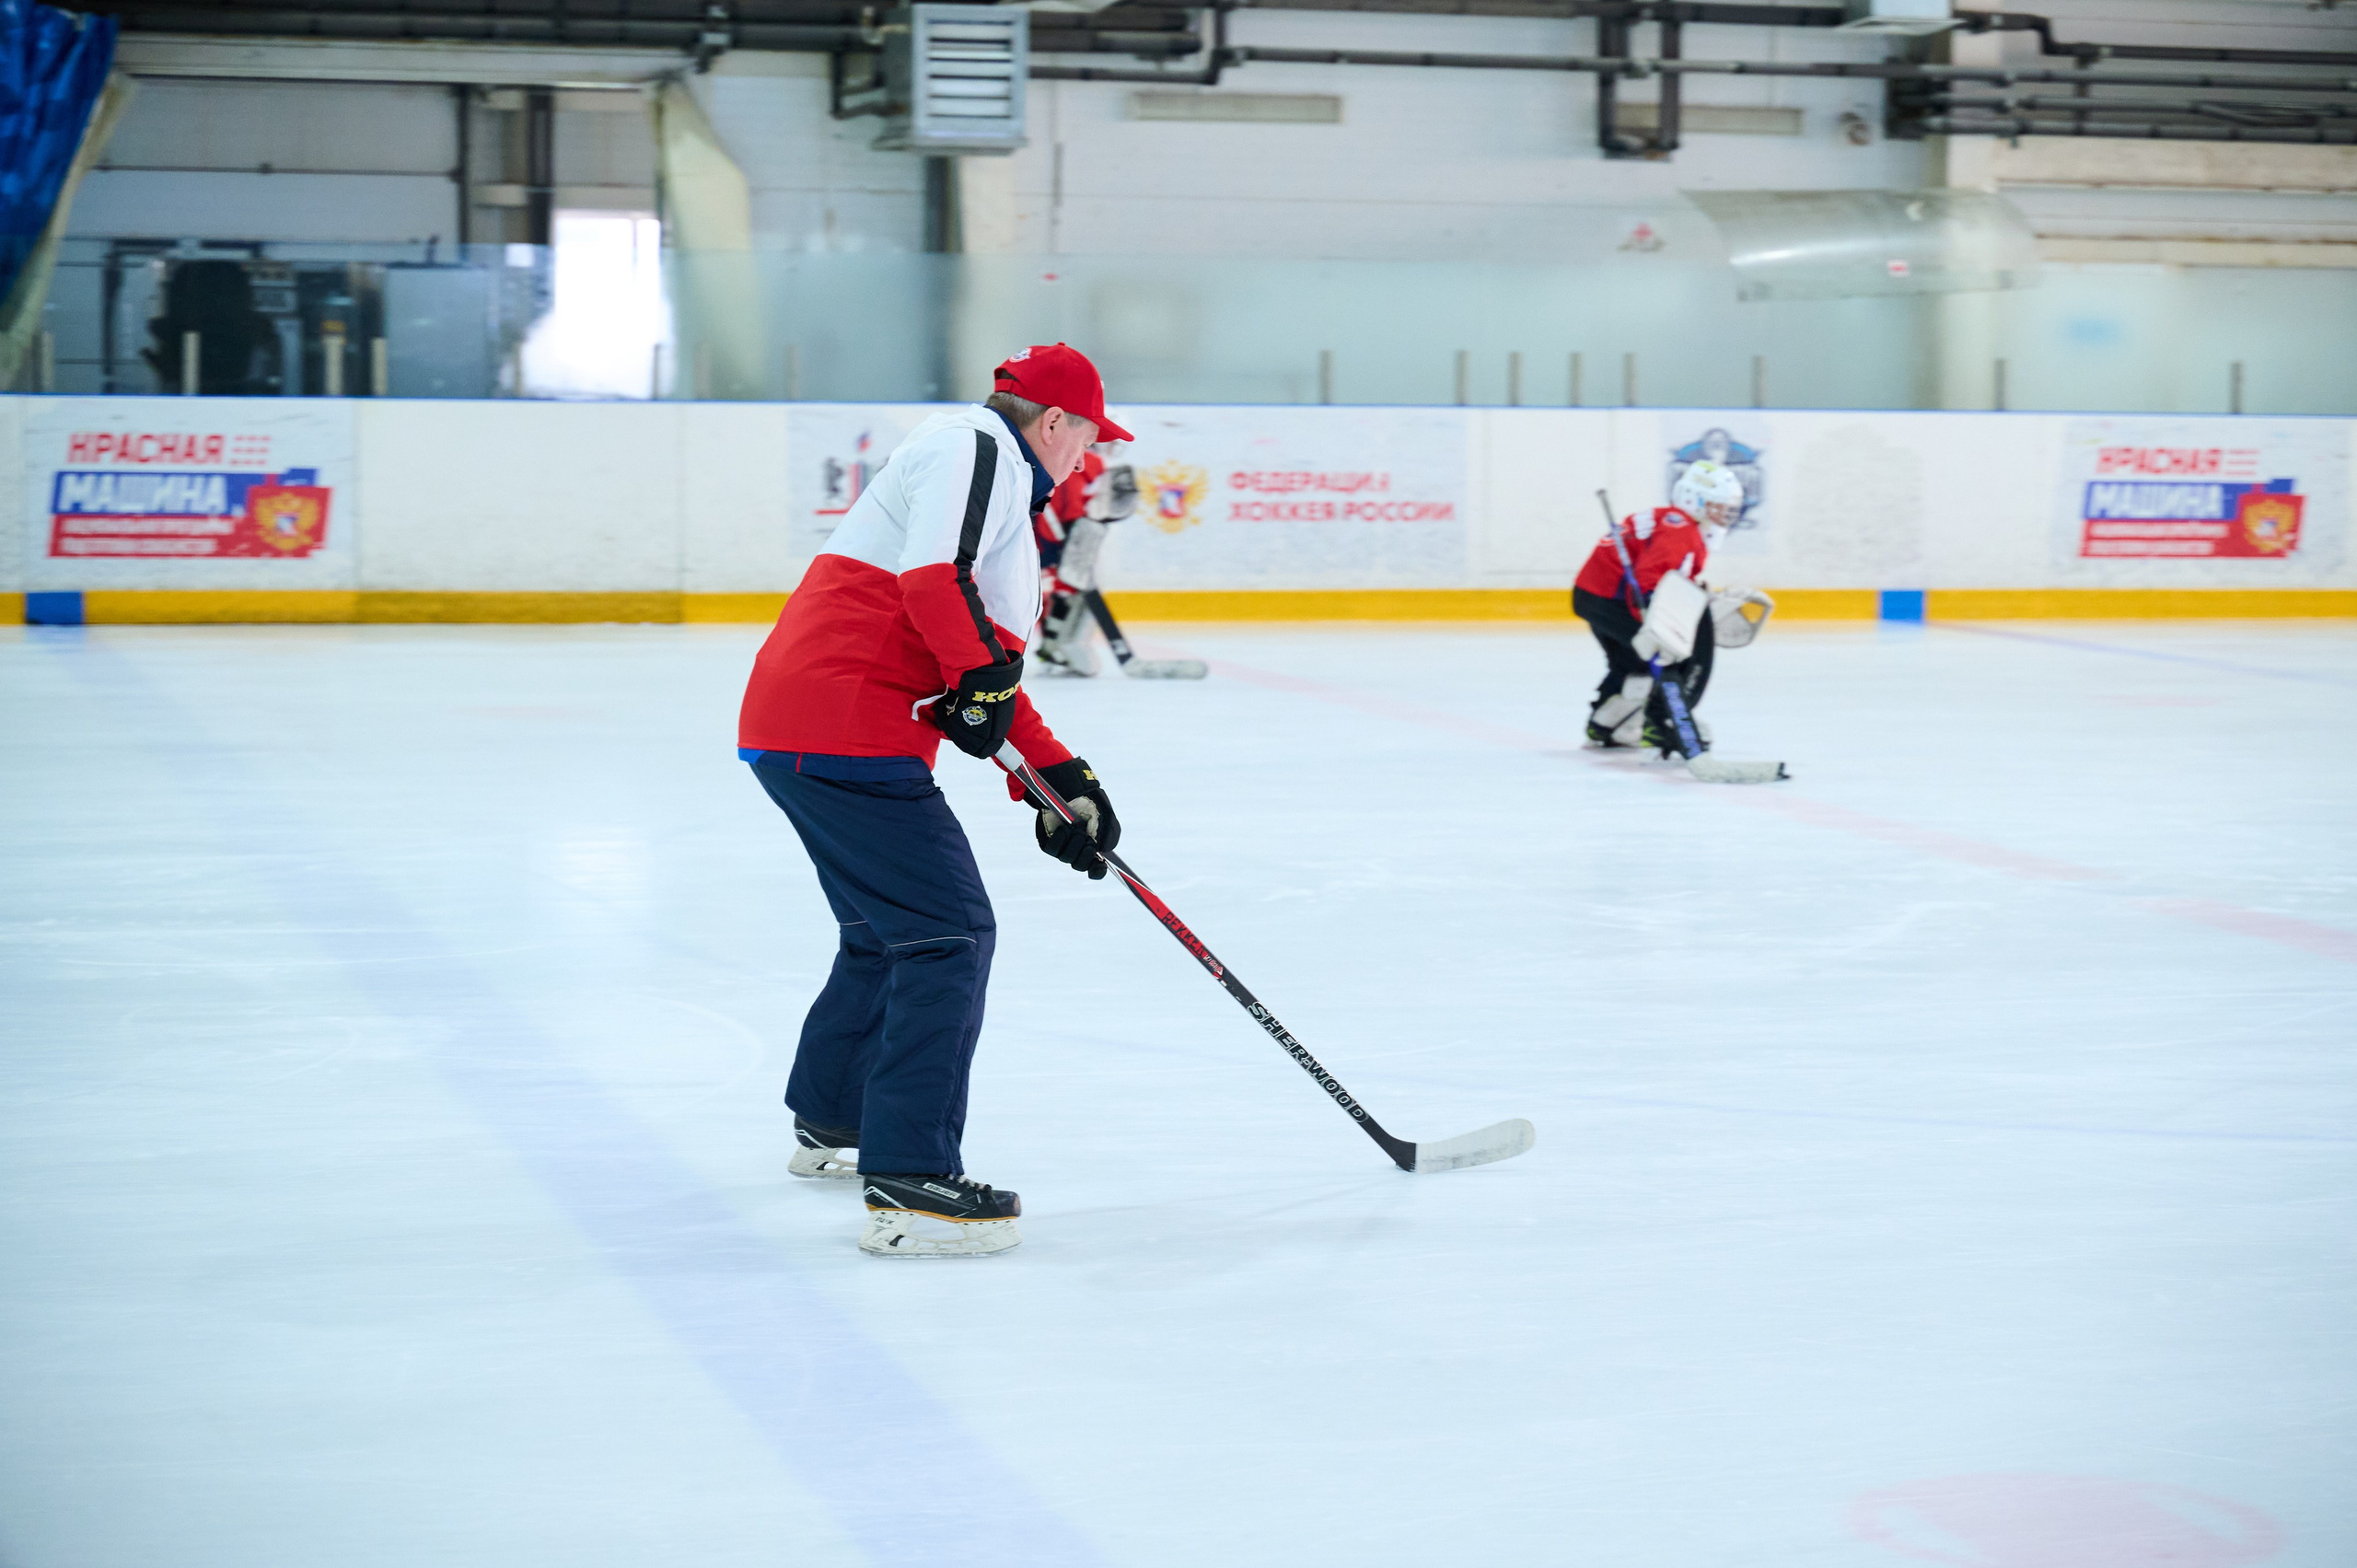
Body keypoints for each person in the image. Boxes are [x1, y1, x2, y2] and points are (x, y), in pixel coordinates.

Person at [737, 343, 1134, 1258]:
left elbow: (984, 669)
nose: (1091, 459)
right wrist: (984, 692)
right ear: (1055, 423)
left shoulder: (988, 484)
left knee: (888, 929)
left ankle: (835, 1117)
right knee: (948, 932)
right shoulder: (978, 447)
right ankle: (911, 1180)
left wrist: (1056, 779)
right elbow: (929, 590)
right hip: (841, 729)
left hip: (805, 724)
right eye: (1090, 438)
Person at [1573, 459, 1744, 758]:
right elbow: (1652, 578)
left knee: (1632, 661)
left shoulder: (1673, 521)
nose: (1725, 514)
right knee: (1678, 652)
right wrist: (1659, 620)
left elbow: (1664, 576)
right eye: (1718, 505)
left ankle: (1609, 723)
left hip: (1594, 597)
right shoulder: (1682, 528)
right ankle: (1665, 722)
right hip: (1613, 599)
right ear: (1695, 500)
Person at [1032, 442, 1137, 677]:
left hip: (1055, 534)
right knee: (1062, 590)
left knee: (1059, 591)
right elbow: (1068, 503)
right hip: (1057, 536)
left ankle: (1052, 645)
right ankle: (1053, 645)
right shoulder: (1088, 461)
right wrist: (1068, 538)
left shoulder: (1081, 459)